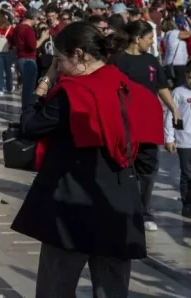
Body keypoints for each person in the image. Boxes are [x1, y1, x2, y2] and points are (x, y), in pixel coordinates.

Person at [11, 22, 163, 298]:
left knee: (55, 287)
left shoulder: (72, 93)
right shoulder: (137, 93)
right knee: (112, 289)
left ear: (79, 55)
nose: (57, 66)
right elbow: (148, 160)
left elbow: (30, 125)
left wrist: (46, 81)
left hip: (71, 204)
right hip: (119, 206)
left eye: (59, 60)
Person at [111, 20, 178, 232]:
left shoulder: (151, 61)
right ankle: (123, 209)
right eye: (149, 38)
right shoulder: (117, 61)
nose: (151, 42)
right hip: (125, 122)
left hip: (149, 122)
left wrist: (173, 108)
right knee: (124, 165)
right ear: (137, 38)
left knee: (149, 169)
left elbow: (161, 86)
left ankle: (144, 211)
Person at [163, 70, 191, 218]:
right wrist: (169, 138)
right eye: (190, 77)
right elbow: (170, 116)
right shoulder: (179, 92)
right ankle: (187, 205)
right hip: (184, 141)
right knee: (187, 174)